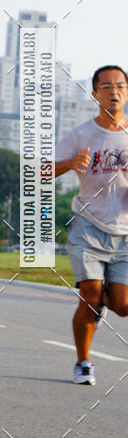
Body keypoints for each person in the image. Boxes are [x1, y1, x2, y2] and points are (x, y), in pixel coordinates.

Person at [55, 64, 128, 385]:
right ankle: (83, 363)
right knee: (90, 293)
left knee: (123, 306)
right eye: (107, 86)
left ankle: (102, 303)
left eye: (121, 86)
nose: (115, 92)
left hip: (125, 231)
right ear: (95, 94)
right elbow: (40, 171)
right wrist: (70, 164)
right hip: (88, 226)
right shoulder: (80, 135)